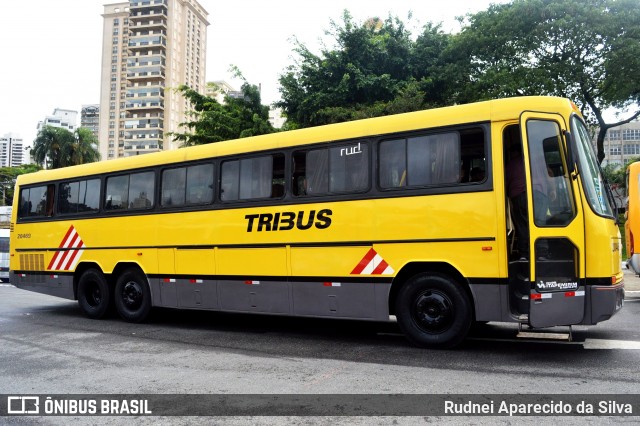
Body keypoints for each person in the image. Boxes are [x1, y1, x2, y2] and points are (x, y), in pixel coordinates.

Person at [505, 142, 529, 260]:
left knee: (522, 225)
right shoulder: (529, 161)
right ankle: (540, 252)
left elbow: (506, 182)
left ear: (515, 152)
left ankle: (524, 254)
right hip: (535, 196)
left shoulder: (512, 164)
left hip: (518, 197)